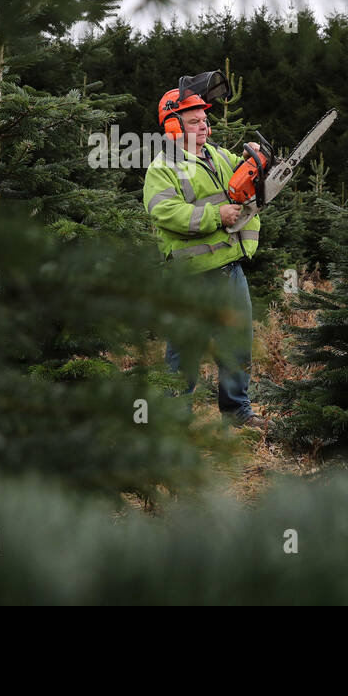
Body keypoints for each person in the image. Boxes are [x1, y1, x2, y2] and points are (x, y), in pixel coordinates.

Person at [142, 83, 272, 433]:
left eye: (204, 120)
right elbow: (165, 212)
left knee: (236, 344)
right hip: (192, 275)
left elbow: (245, 176)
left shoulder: (218, 157)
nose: (204, 126)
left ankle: (237, 411)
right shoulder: (162, 168)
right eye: (195, 121)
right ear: (173, 125)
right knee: (184, 350)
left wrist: (255, 159)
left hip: (230, 270)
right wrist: (218, 216)